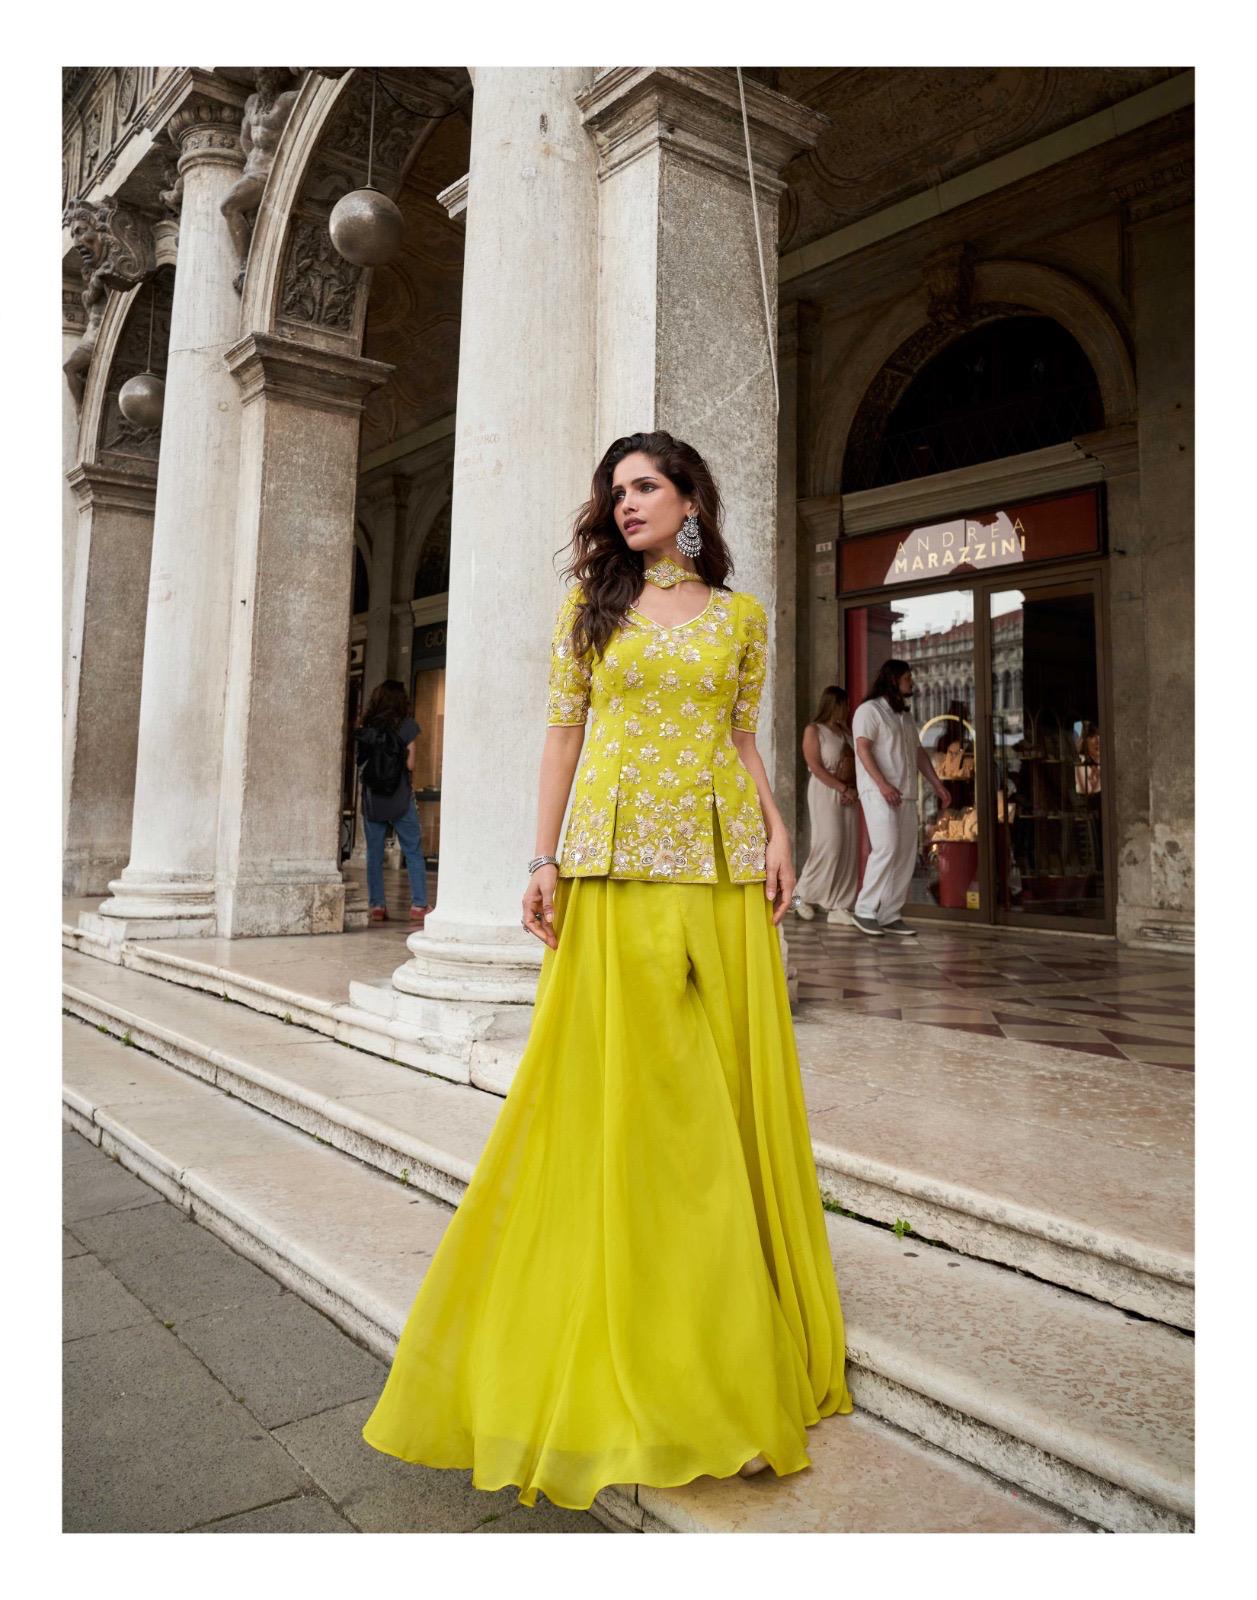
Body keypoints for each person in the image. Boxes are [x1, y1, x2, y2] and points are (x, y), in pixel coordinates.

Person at [362, 431, 853, 1511]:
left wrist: (778, 830)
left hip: (720, 869)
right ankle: (675, 1349)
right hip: (614, 865)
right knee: (646, 1096)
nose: (626, 503)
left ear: (690, 501)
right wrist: (538, 861)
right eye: (615, 491)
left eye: (644, 486)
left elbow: (742, 739)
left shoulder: (742, 617)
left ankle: (729, 1351)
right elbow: (561, 739)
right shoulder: (592, 610)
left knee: (721, 1090)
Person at [851, 659, 950, 937]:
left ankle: (890, 913)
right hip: (878, 791)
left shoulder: (904, 717)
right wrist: (882, 785)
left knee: (906, 853)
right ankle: (864, 910)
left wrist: (937, 784)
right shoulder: (869, 711)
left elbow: (918, 753)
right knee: (886, 847)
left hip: (906, 793)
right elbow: (863, 749)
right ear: (894, 679)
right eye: (908, 678)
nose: (912, 682)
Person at [356, 679, 430, 925]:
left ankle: (377, 905)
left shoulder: (368, 726)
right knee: (413, 850)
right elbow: (410, 764)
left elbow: (360, 762)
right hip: (400, 796)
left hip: (373, 797)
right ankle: (419, 905)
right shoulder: (408, 726)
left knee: (374, 853)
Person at [792, 685, 860, 925]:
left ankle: (839, 906)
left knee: (848, 849)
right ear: (834, 705)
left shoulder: (845, 732)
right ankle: (797, 898)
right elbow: (815, 767)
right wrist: (841, 788)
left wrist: (852, 789)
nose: (848, 709)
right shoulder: (814, 730)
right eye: (844, 705)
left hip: (848, 793)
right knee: (828, 844)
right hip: (824, 790)